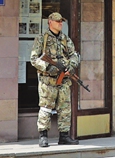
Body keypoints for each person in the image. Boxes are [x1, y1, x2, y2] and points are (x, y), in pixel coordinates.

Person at [30, 12, 81, 146]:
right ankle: (43, 136)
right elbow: (34, 59)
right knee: (46, 108)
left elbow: (74, 54)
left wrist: (72, 66)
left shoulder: (65, 39)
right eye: (58, 21)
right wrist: (47, 67)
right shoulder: (42, 39)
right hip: (48, 81)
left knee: (65, 108)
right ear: (50, 22)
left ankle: (64, 136)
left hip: (63, 80)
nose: (60, 23)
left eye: (61, 21)